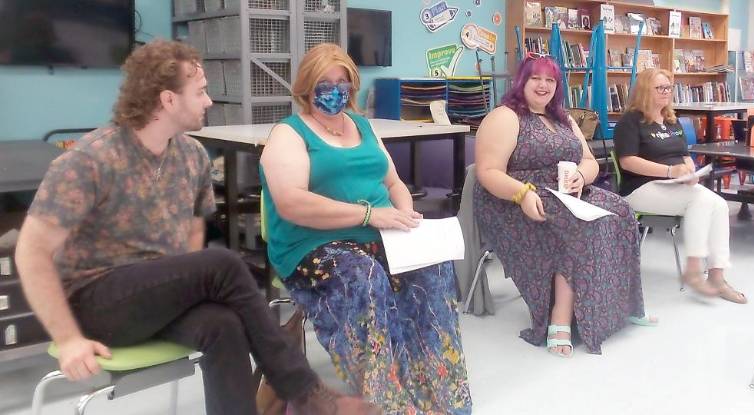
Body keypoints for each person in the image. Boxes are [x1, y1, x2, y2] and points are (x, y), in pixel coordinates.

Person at [14, 39, 380, 415]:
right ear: (169, 100)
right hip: (95, 301)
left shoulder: (192, 157)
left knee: (224, 325)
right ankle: (307, 395)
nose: (209, 101)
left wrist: (188, 288)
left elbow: (190, 242)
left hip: (154, 297)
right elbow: (32, 252)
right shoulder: (89, 160)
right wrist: (68, 338)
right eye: (201, 92)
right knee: (222, 264)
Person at [259, 43, 472, 414]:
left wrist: (406, 217)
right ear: (307, 87)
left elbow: (393, 184)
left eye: (343, 82)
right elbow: (291, 203)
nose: (335, 91)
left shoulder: (362, 126)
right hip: (313, 245)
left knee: (433, 268)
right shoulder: (289, 134)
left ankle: (441, 394)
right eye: (325, 83)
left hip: (379, 234)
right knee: (363, 277)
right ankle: (386, 401)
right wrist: (369, 215)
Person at [473, 53, 651, 357]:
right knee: (578, 225)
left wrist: (582, 176)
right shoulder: (505, 116)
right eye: (536, 78)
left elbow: (588, 161)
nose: (543, 85)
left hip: (566, 191)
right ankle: (560, 318)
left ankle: (623, 304)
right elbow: (488, 173)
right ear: (522, 82)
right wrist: (523, 194)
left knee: (620, 210)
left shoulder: (563, 118)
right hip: (514, 197)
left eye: (550, 80)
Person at [613, 68, 747, 304]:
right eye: (660, 88)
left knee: (719, 204)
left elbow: (684, 156)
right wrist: (669, 172)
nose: (666, 92)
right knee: (702, 200)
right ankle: (694, 269)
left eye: (668, 88)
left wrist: (690, 172)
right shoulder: (630, 121)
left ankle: (717, 276)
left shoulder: (672, 121)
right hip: (640, 189)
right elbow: (628, 161)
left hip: (675, 186)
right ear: (645, 90)